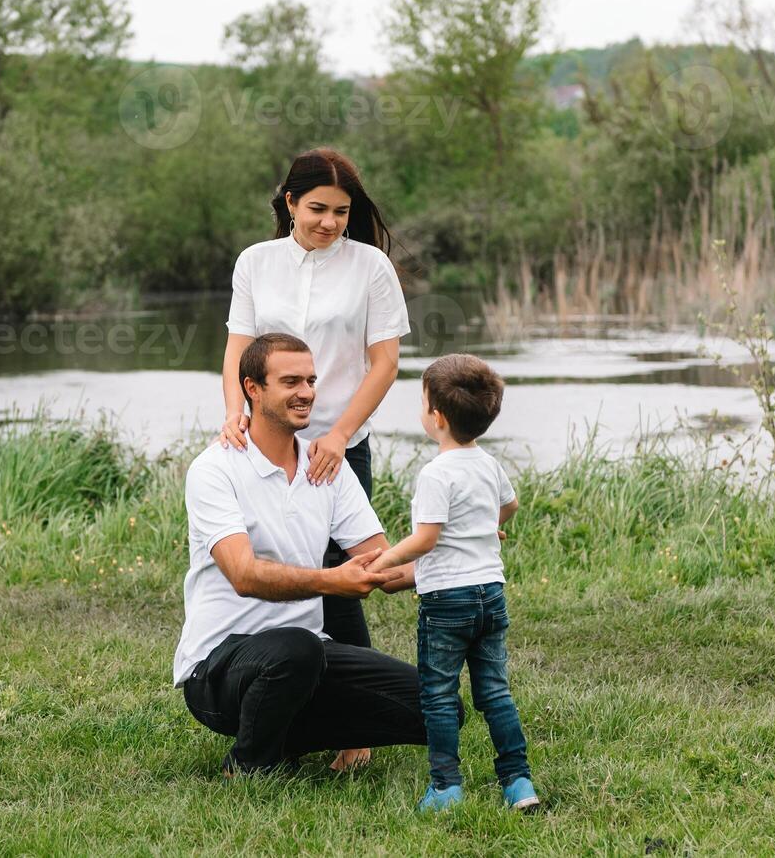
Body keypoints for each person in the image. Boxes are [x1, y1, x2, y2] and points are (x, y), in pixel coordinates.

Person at [177, 333, 460, 775]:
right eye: (291, 381)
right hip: (218, 668)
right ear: (252, 388)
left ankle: (283, 731)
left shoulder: (326, 464)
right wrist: (333, 582)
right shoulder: (214, 469)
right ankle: (250, 762)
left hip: (307, 657)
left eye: (310, 380)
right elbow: (244, 575)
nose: (306, 392)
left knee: (441, 709)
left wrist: (458, 552)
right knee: (297, 648)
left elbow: (382, 564)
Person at [217, 149, 408, 775]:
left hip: (336, 443)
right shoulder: (256, 262)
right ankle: (266, 697)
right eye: (319, 209)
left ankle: (354, 726)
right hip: (263, 439)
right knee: (268, 568)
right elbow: (239, 348)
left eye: (343, 212)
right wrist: (233, 415)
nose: (331, 223)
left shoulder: (371, 267)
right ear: (291, 202)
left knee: (340, 574)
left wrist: (340, 434)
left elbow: (384, 363)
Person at [368, 354, 540, 813]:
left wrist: (383, 560)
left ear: (436, 417)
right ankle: (519, 784)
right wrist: (487, 525)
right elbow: (511, 505)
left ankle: (446, 788)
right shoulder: (488, 463)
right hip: (491, 595)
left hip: (447, 603)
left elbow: (426, 539)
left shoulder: (435, 473)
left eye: (423, 402)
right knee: (495, 692)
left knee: (439, 696)